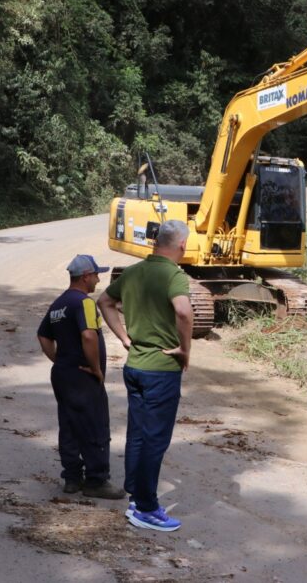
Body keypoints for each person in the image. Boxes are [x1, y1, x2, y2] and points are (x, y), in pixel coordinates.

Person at [98, 220, 193, 532]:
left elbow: (104, 301)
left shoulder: (133, 272)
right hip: (160, 371)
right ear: (181, 245)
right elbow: (183, 311)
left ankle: (136, 497)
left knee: (138, 434)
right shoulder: (174, 275)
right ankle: (147, 508)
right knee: (155, 439)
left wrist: (125, 339)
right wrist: (184, 350)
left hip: (135, 366)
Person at [37, 254, 126, 500]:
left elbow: (43, 336)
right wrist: (95, 368)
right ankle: (97, 481)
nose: (98, 280)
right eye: (97, 275)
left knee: (69, 425)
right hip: (83, 376)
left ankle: (72, 479)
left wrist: (58, 360)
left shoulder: (58, 304)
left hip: (63, 375)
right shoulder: (84, 303)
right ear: (86, 276)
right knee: (95, 425)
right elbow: (88, 336)